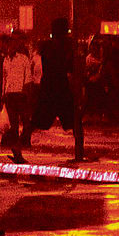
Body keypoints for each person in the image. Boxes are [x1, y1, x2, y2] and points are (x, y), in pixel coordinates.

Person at [20, 17, 75, 150]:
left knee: (38, 121)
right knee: (75, 122)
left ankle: (19, 144)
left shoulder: (46, 46)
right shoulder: (62, 46)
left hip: (48, 87)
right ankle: (79, 154)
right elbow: (68, 66)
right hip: (60, 87)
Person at [1, 34, 32, 163]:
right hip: (10, 95)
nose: (10, 47)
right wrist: (4, 93)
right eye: (9, 45)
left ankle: (19, 146)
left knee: (27, 124)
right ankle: (17, 152)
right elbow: (5, 78)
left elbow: (28, 77)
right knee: (13, 126)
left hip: (20, 94)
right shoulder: (6, 60)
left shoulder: (23, 59)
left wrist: (26, 93)